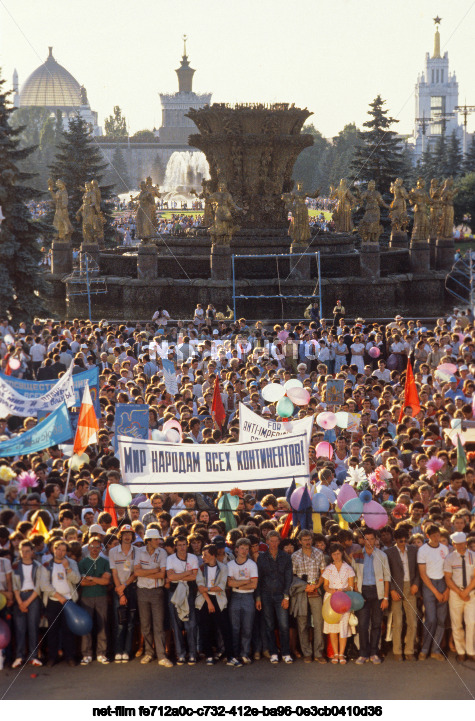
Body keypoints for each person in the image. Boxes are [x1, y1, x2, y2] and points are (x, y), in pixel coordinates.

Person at [134, 528, 173, 667]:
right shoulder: (139, 552)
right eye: (156, 539)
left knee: (158, 624)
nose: (159, 541)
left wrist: (144, 573)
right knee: (145, 625)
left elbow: (162, 575)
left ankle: (162, 656)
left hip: (157, 591)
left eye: (159, 539)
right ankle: (149, 653)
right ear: (148, 541)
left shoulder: (162, 552)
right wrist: (154, 571)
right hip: (142, 591)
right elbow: (136, 572)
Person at [352, 528, 390, 665]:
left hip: (378, 592)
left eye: (372, 539)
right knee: (362, 625)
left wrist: (385, 598)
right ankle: (363, 653)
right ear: (362, 540)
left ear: (376, 539)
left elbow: (387, 578)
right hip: (362, 593)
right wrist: (357, 594)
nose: (369, 542)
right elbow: (354, 577)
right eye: (366, 539)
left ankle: (374, 652)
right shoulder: (357, 555)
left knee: (376, 624)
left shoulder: (382, 555)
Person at [41, 539, 81, 667]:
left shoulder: (72, 563)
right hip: (54, 601)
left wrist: (67, 568)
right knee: (52, 630)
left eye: (63, 550)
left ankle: (69, 656)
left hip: (69, 601)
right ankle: (52, 657)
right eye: (58, 549)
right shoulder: (47, 565)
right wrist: (58, 596)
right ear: (54, 549)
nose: (60, 552)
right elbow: (44, 585)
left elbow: (76, 579)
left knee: (68, 630)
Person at [256, 530, 293, 664]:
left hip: (281, 595)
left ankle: (286, 652)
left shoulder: (286, 557)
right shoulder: (262, 557)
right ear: (267, 542)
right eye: (271, 541)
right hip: (265, 595)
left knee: (284, 625)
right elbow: (259, 579)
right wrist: (258, 598)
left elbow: (288, 578)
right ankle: (273, 652)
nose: (274, 543)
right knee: (269, 625)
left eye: (276, 541)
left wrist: (286, 597)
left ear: (279, 541)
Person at [291, 529, 326, 664]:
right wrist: (304, 586)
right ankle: (307, 653)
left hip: (315, 590)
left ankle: (318, 652)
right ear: (300, 541)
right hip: (301, 590)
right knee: (302, 623)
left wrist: (317, 585)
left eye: (309, 539)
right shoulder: (295, 556)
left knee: (318, 622)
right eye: (304, 540)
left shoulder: (319, 553)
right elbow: (292, 576)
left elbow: (323, 573)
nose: (307, 542)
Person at [384, 528, 420, 661]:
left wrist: (416, 584)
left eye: (405, 540)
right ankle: (397, 651)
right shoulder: (388, 552)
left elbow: (418, 570)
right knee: (397, 622)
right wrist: (392, 590)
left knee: (412, 621)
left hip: (411, 587)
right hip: (396, 588)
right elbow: (387, 573)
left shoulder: (414, 551)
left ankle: (409, 650)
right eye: (400, 541)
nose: (403, 543)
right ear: (395, 540)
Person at [195, 543, 234, 666]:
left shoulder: (223, 567)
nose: (203, 557)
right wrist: (209, 602)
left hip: (219, 600)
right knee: (205, 628)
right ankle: (209, 655)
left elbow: (221, 587)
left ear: (212, 555)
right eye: (202, 554)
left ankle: (230, 655)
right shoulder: (200, 568)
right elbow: (200, 587)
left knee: (225, 629)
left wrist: (207, 589)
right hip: (205, 601)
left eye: (205, 554)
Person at [417, 523, 450, 660]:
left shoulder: (444, 548)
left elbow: (449, 571)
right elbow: (423, 574)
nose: (436, 538)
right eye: (434, 536)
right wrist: (436, 592)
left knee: (441, 619)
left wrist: (447, 589)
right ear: (428, 536)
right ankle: (424, 649)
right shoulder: (423, 550)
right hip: (429, 584)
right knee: (431, 619)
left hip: (443, 581)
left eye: (438, 535)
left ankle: (435, 650)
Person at [78, 536, 111, 665]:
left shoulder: (105, 562)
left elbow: (106, 581)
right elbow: (82, 583)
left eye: (98, 547)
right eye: (92, 546)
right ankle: (86, 654)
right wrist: (98, 580)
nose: (95, 549)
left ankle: (101, 653)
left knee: (102, 624)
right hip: (87, 597)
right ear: (88, 547)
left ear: (101, 548)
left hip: (102, 597)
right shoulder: (82, 563)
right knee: (87, 626)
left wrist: (90, 578)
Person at [11, 540, 44, 668]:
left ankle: (33, 656)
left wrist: (28, 601)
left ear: (32, 552)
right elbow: (14, 586)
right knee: (20, 628)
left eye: (27, 551)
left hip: (33, 597)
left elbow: (39, 586)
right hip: (19, 597)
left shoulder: (38, 566)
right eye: (22, 551)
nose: (25, 554)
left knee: (33, 627)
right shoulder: (15, 565)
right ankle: (19, 656)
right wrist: (20, 603)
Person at [166, 534, 199, 665]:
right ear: (175, 546)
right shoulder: (170, 559)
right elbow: (170, 577)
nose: (182, 547)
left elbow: (194, 577)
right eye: (179, 545)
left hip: (189, 591)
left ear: (187, 545)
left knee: (190, 624)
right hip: (174, 591)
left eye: (184, 544)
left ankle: (192, 654)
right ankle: (180, 654)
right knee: (176, 624)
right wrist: (186, 573)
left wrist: (177, 575)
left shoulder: (193, 557)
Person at [443, 531, 475, 662]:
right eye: (458, 544)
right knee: (456, 624)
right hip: (455, 594)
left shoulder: (473, 556)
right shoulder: (449, 558)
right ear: (454, 544)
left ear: (466, 543)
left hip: (471, 593)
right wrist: (459, 592)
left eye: (463, 544)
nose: (461, 546)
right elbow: (448, 578)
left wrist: (466, 591)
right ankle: (461, 651)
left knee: (471, 622)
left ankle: (471, 651)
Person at [322, 542, 355, 664]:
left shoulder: (348, 568)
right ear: (331, 555)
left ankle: (342, 654)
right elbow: (325, 585)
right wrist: (332, 590)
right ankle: (335, 653)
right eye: (334, 554)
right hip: (331, 599)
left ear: (342, 554)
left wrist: (343, 589)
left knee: (343, 627)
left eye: (338, 553)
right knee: (332, 627)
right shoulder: (328, 569)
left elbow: (351, 586)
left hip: (344, 600)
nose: (336, 556)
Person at [227, 537, 258, 666]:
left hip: (248, 597)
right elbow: (229, 583)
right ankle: (235, 654)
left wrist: (237, 584)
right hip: (235, 597)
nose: (244, 551)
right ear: (236, 550)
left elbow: (254, 585)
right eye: (242, 548)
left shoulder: (252, 564)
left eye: (246, 548)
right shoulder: (230, 565)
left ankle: (245, 653)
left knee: (247, 627)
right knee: (235, 627)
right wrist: (246, 581)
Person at [108, 524, 137, 663]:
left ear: (133, 536)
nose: (127, 536)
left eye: (129, 533)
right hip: (118, 589)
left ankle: (127, 651)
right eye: (124, 533)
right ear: (120, 535)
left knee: (130, 623)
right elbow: (114, 573)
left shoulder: (137, 551)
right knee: (119, 622)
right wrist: (120, 592)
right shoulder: (113, 551)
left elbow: (135, 573)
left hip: (131, 588)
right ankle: (118, 651)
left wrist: (125, 586)